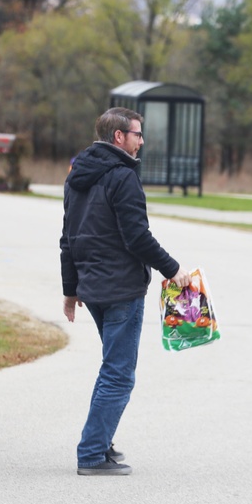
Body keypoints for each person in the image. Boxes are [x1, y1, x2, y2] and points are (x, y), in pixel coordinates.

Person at [60, 107, 190, 476]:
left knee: (111, 369)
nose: (142, 140)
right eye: (137, 134)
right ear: (119, 137)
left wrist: (71, 289)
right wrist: (173, 269)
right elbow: (137, 238)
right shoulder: (122, 177)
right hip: (121, 289)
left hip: (94, 290)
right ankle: (92, 453)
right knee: (119, 374)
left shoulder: (77, 176)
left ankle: (102, 440)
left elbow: (67, 239)